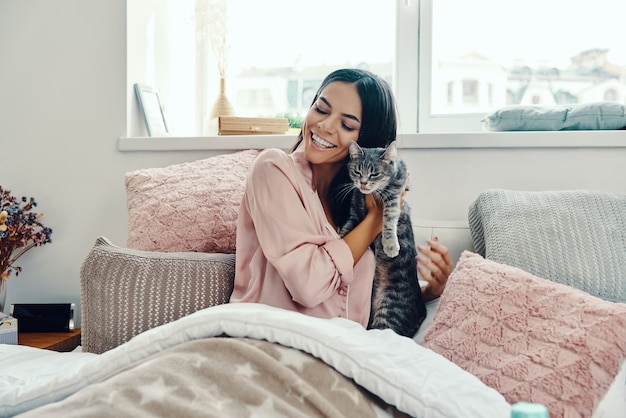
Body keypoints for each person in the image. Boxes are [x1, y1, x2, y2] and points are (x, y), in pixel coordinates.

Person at [230, 68, 452, 329]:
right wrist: (375, 220)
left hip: (342, 352)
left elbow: (372, 303)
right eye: (321, 109)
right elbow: (308, 286)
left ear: (367, 142)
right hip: (270, 338)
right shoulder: (272, 170)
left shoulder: (359, 200)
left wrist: (433, 291)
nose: (324, 125)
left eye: (347, 125)